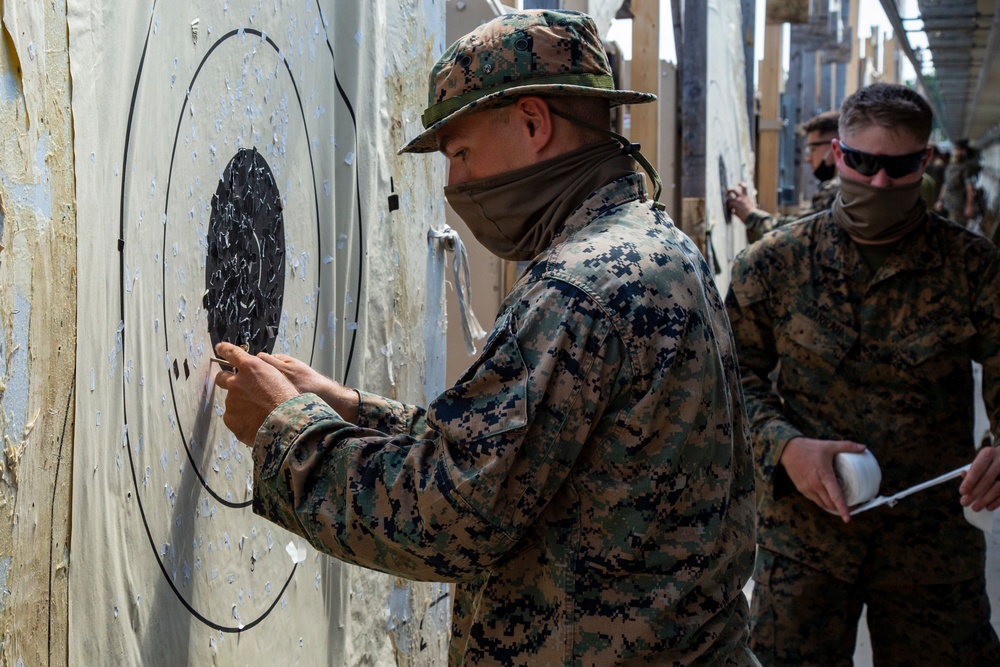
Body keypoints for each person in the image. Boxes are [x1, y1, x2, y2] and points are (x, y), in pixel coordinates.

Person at [213, 9, 758, 666]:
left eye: (461, 152)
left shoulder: (577, 287)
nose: (454, 185)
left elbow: (448, 516)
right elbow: (518, 453)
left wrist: (286, 429)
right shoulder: (651, 245)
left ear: (533, 122)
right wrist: (351, 409)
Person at [726, 81, 1000, 665]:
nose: (878, 182)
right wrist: (786, 447)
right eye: (862, 162)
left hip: (929, 549)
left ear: (924, 160)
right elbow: (729, 384)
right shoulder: (773, 263)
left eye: (898, 167)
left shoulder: (972, 267)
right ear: (839, 155)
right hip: (803, 546)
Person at [727, 110, 841, 243]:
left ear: (835, 146)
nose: (808, 158)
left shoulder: (836, 190)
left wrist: (751, 215)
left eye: (813, 149)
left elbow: (793, 237)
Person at [935, 138, 978, 228]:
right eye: (954, 150)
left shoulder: (966, 167)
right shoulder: (950, 166)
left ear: (963, 152)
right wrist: (940, 200)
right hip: (947, 204)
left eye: (957, 150)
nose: (955, 152)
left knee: (956, 231)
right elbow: (945, 184)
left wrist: (969, 206)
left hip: (958, 206)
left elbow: (969, 188)